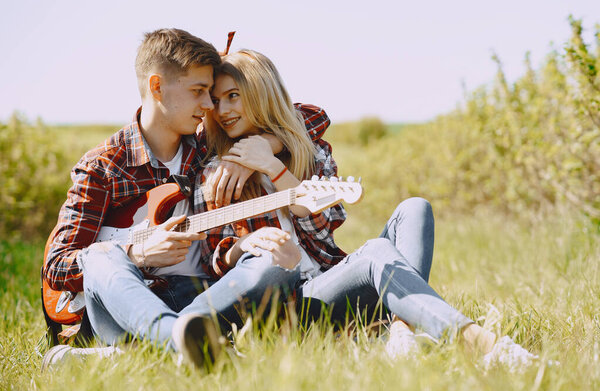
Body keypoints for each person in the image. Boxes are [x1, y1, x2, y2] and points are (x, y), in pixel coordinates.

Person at [200, 49, 538, 370]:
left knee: (414, 208)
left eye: (234, 96)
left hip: (332, 285)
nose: (223, 109)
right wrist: (248, 244)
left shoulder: (309, 152)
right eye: (216, 101)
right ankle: (486, 347)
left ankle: (401, 331)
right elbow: (214, 256)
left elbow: (321, 224)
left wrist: (273, 166)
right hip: (292, 306)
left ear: (261, 95)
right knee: (377, 250)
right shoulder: (216, 173)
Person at [42, 28, 331, 369]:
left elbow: (309, 116)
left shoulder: (205, 147)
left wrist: (264, 145)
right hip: (126, 302)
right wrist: (136, 253)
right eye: (199, 92)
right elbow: (57, 266)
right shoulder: (104, 166)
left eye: (212, 93)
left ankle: (144, 355)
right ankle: (178, 340)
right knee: (101, 257)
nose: (210, 106)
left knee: (276, 264)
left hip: (204, 298)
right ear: (157, 87)